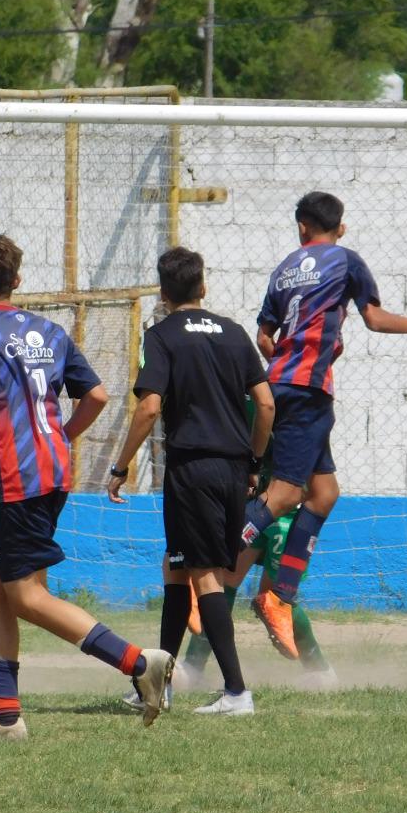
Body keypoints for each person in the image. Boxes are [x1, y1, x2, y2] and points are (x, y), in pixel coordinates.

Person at [0, 235, 173, 739]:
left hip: (15, 479)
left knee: (25, 597)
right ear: (18, 281)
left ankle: (138, 662)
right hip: (54, 473)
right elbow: (98, 395)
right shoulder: (49, 331)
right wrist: (60, 436)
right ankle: (5, 717)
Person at [240, 191, 407, 657]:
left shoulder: (285, 268)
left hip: (279, 387)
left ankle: (279, 595)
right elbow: (372, 318)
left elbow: (264, 337)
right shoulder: (346, 260)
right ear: (341, 227)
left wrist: (292, 355)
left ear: (301, 227)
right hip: (309, 393)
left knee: (324, 493)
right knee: (286, 495)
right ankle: (212, 569)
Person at [108, 246, 274, 717]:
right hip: (232, 469)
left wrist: (120, 467)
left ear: (163, 292)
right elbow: (265, 405)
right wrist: (254, 462)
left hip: (192, 469)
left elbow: (149, 406)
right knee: (177, 566)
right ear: (203, 286)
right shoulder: (235, 333)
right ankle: (159, 685)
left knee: (204, 575)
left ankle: (238, 692)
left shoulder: (161, 336)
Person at [178, 508, 337, 689]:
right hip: (257, 510)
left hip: (289, 519)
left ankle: (318, 669)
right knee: (223, 579)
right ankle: (193, 666)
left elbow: (322, 491)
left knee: (274, 599)